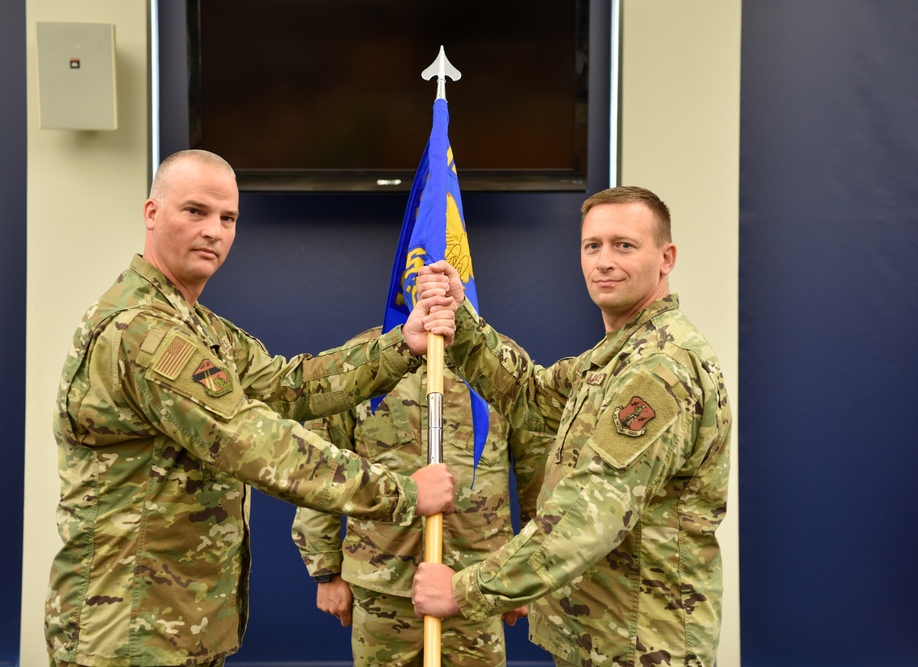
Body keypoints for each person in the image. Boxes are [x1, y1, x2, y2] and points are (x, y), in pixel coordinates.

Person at [45, 149, 458, 667]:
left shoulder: (197, 325)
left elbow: (289, 387)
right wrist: (401, 491)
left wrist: (403, 343)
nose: (213, 231)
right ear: (152, 213)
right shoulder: (142, 332)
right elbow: (251, 441)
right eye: (195, 211)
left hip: (176, 624)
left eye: (228, 218)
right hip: (130, 633)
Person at [411, 186, 732, 667]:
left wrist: (465, 589)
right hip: (601, 636)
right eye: (592, 246)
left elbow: (590, 515)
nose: (603, 261)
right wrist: (462, 323)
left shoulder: (659, 369)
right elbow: (532, 396)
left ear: (666, 258)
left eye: (624, 245)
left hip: (640, 645)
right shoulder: (618, 354)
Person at [291, 327, 552, 667]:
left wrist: (523, 575)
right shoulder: (361, 358)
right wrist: (324, 570)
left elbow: (540, 475)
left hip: (477, 582)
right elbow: (322, 467)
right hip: (382, 581)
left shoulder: (498, 359)